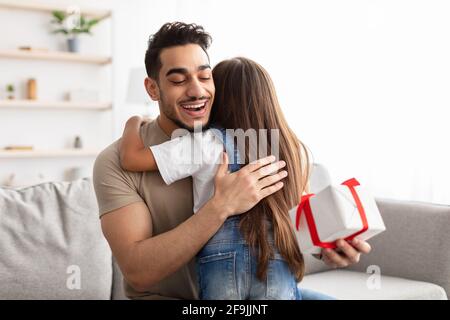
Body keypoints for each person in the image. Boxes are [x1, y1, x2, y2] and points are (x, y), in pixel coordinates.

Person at [93, 22, 371, 300]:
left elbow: (289, 219)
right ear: (153, 89)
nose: (197, 91)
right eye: (178, 80)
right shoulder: (114, 163)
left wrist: (326, 248)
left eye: (205, 77)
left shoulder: (247, 147)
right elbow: (139, 273)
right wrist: (221, 206)